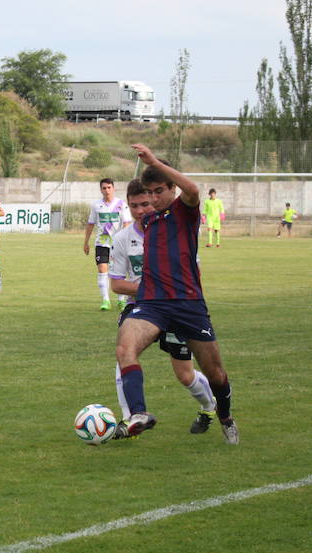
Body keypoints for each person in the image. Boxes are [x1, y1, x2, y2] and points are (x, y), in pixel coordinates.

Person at [114, 144, 239, 444]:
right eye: (149, 193)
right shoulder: (148, 222)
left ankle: (225, 417)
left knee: (216, 373)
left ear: (172, 189)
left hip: (188, 305)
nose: (154, 199)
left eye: (159, 191)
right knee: (124, 349)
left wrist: (155, 161)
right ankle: (138, 415)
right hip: (152, 305)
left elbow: (193, 188)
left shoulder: (184, 213)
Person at [108, 180, 216, 439]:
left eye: (145, 204)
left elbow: (193, 272)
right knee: (124, 353)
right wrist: (147, 288)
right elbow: (116, 283)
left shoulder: (175, 231)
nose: (140, 210)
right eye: (134, 206)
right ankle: (132, 418)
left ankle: (208, 406)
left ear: (155, 201)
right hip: (142, 306)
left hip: (176, 306)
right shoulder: (122, 239)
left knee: (185, 374)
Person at [83, 177, 132, 310]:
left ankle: (121, 300)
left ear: (113, 188)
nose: (107, 190)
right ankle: (105, 300)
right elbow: (90, 224)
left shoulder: (122, 204)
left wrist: (125, 240)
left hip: (119, 244)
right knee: (102, 269)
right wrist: (86, 242)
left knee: (119, 272)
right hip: (102, 243)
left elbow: (127, 224)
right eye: (104, 188)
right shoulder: (96, 206)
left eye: (109, 187)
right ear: (101, 190)